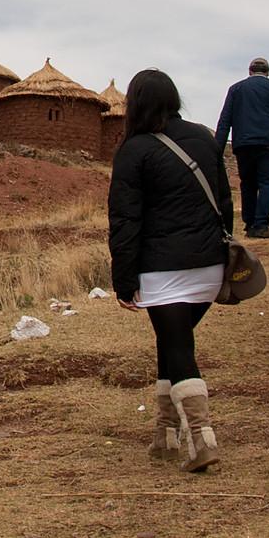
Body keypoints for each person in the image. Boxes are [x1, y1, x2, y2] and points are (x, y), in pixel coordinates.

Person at [108, 68, 233, 472]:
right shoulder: (203, 137)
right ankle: (165, 435)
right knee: (172, 340)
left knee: (178, 348)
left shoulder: (134, 149)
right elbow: (226, 201)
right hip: (210, 265)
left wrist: (124, 281)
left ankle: (202, 440)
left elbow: (125, 221)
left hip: (164, 271)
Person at [214, 56, 269, 239]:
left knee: (248, 184)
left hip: (244, 144)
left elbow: (225, 120)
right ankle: (261, 225)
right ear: (267, 72)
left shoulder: (236, 89)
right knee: (266, 183)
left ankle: (249, 223)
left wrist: (217, 149)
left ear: (250, 71)